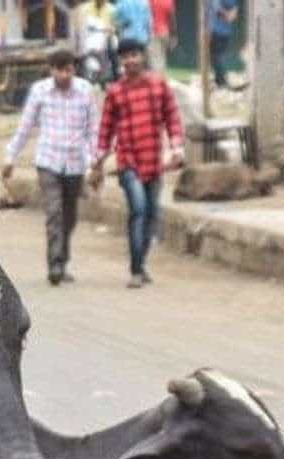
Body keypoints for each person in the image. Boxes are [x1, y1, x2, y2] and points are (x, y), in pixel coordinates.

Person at [90, 39, 184, 289]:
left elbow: (172, 118)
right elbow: (106, 129)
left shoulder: (158, 86)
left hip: (153, 160)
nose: (130, 61)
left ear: (142, 56)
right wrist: (98, 160)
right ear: (120, 62)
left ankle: (141, 264)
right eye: (125, 57)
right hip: (128, 161)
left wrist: (176, 146)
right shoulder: (115, 92)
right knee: (138, 210)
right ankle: (135, 270)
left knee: (153, 214)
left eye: (134, 55)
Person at [3, 49, 99, 286]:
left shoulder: (86, 91)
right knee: (54, 212)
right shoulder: (40, 91)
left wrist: (94, 162)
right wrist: (10, 157)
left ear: (74, 69)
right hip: (48, 160)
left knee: (70, 215)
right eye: (59, 69)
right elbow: (25, 126)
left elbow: (92, 130)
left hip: (76, 162)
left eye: (68, 69)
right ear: (52, 70)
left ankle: (63, 258)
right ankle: (54, 264)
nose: (64, 75)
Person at [79, 0, 118, 82]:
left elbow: (115, 27)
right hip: (90, 42)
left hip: (106, 42)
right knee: (86, 63)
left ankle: (110, 79)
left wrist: (111, 30)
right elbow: (83, 26)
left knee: (109, 62)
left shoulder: (112, 9)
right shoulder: (85, 8)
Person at [209, 0, 239, 88]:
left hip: (221, 32)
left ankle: (222, 81)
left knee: (216, 57)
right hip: (213, 31)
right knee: (214, 57)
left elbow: (233, 14)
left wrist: (224, 13)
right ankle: (218, 80)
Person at [147, 0, 177, 72]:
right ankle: (161, 80)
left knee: (155, 61)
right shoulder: (169, 1)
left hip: (153, 32)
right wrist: (174, 36)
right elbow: (172, 19)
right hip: (165, 32)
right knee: (161, 59)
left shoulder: (150, 1)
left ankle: (158, 81)